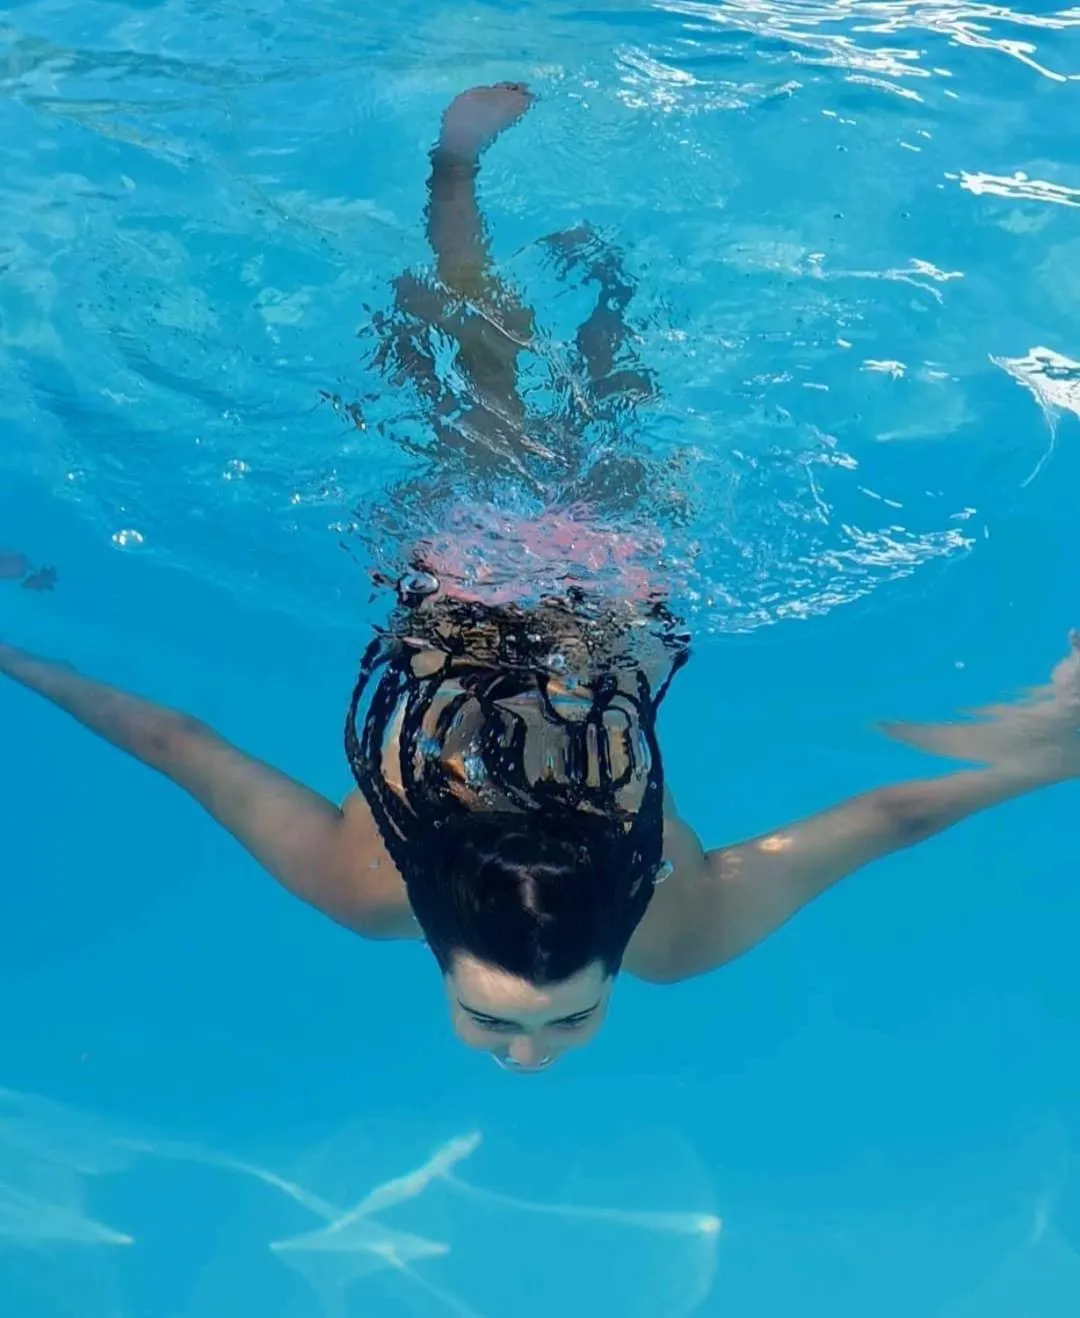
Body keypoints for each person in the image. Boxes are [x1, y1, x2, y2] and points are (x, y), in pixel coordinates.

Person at [3, 85, 1078, 1074]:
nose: (533, 1054)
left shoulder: (655, 924)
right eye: (554, 1020)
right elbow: (888, 818)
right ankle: (527, 220)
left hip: (524, 586)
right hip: (561, 591)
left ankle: (474, 184)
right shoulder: (391, 885)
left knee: (521, 375)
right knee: (533, 376)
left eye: (512, 1020)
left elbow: (177, 744)